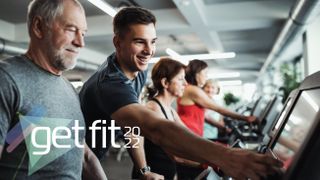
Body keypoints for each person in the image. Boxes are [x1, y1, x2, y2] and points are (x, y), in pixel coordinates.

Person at [79, 6, 283, 180]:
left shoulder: (137, 72)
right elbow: (156, 129)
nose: (149, 50)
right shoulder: (111, 83)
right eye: (140, 41)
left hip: (90, 156)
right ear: (118, 43)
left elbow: (134, 127)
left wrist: (143, 170)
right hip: (70, 156)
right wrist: (226, 157)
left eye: (153, 41)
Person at [0, 0, 106, 179]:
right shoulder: (7, 79)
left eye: (84, 33)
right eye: (71, 29)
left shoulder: (68, 89)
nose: (81, 42)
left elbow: (84, 155)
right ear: (39, 27)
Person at [176, 60, 258, 179]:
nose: (206, 77)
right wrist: (246, 118)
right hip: (189, 134)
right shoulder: (193, 90)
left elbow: (204, 117)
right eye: (205, 73)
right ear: (197, 73)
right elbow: (219, 109)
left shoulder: (190, 89)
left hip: (192, 133)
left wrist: (222, 127)